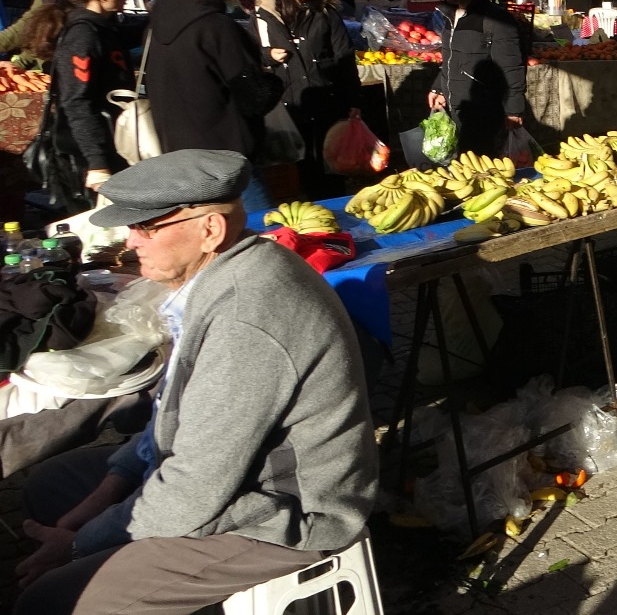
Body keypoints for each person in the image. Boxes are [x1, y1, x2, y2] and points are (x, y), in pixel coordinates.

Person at [12, 149, 377, 613]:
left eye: (146, 227)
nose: (131, 240)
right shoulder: (219, 276)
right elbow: (172, 413)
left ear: (211, 230)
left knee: (53, 601)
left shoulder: (248, 316)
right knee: (52, 485)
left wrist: (82, 543)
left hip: (282, 514)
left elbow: (194, 489)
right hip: (227, 481)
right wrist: (110, 489)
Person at [145, 0, 281, 211]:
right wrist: (274, 78)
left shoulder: (159, 23)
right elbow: (255, 97)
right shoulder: (216, 28)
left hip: (178, 160)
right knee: (255, 238)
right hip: (226, 164)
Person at [255, 0, 360, 199]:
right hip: (289, 111)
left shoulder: (325, 13)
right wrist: (269, 55)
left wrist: (353, 100)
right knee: (295, 182)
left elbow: (344, 57)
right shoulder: (265, 17)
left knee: (331, 177)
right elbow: (250, 55)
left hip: (327, 106)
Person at [33, 0, 135, 208]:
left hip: (112, 144)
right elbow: (77, 102)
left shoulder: (103, 28)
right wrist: (97, 162)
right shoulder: (83, 36)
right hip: (91, 156)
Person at [427, 0, 527, 156]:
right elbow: (451, 58)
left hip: (482, 112)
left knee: (478, 169)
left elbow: (511, 68)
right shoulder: (449, 16)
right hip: (455, 106)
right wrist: (438, 88)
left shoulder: (495, 20)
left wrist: (513, 110)